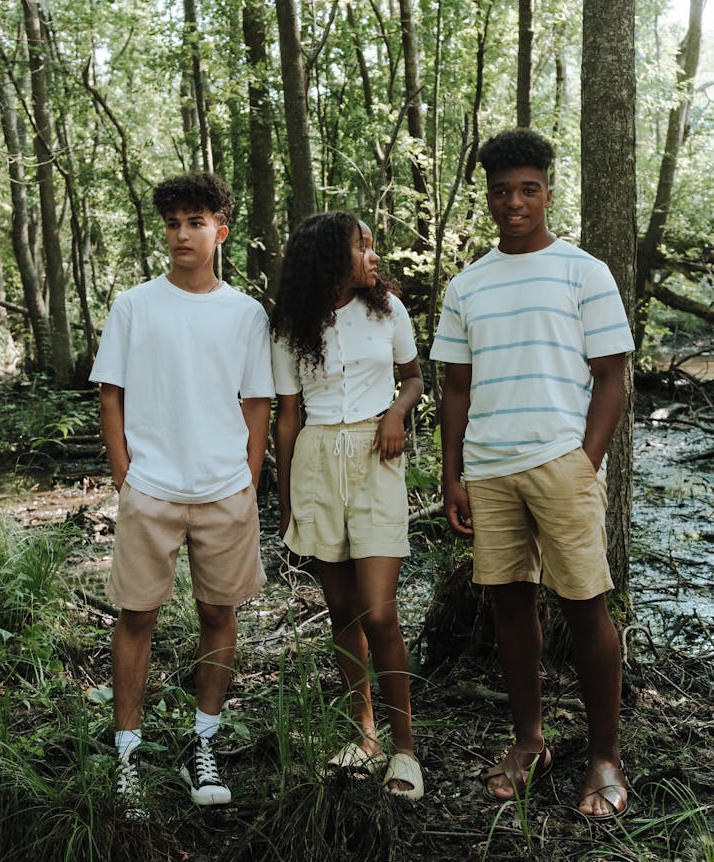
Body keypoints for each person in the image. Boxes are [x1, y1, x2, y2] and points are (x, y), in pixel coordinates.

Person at [430, 127, 634, 821]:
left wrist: (586, 460)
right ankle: (530, 742)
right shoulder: (468, 284)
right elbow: (454, 387)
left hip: (560, 465)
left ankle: (604, 755)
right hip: (489, 468)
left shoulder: (585, 271)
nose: (514, 202)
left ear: (548, 192)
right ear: (487, 198)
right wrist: (452, 472)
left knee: (584, 604)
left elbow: (612, 377)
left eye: (527, 189)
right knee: (510, 603)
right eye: (500, 191)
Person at [89, 171, 273, 811]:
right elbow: (111, 395)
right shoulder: (135, 304)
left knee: (218, 615)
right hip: (152, 489)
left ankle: (205, 744)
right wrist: (126, 478)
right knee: (136, 615)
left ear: (219, 231)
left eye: (195, 222)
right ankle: (128, 755)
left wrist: (247, 482)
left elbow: (257, 403)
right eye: (172, 223)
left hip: (225, 489)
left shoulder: (246, 313)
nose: (182, 235)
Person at [271, 212, 425, 800]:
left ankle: (405, 749)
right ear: (331, 258)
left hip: (375, 458)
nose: (374, 254)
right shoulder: (291, 324)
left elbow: (414, 378)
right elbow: (287, 418)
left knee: (380, 612)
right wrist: (286, 502)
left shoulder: (388, 310)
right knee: (342, 611)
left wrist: (393, 415)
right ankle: (363, 736)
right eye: (362, 246)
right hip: (315, 462)